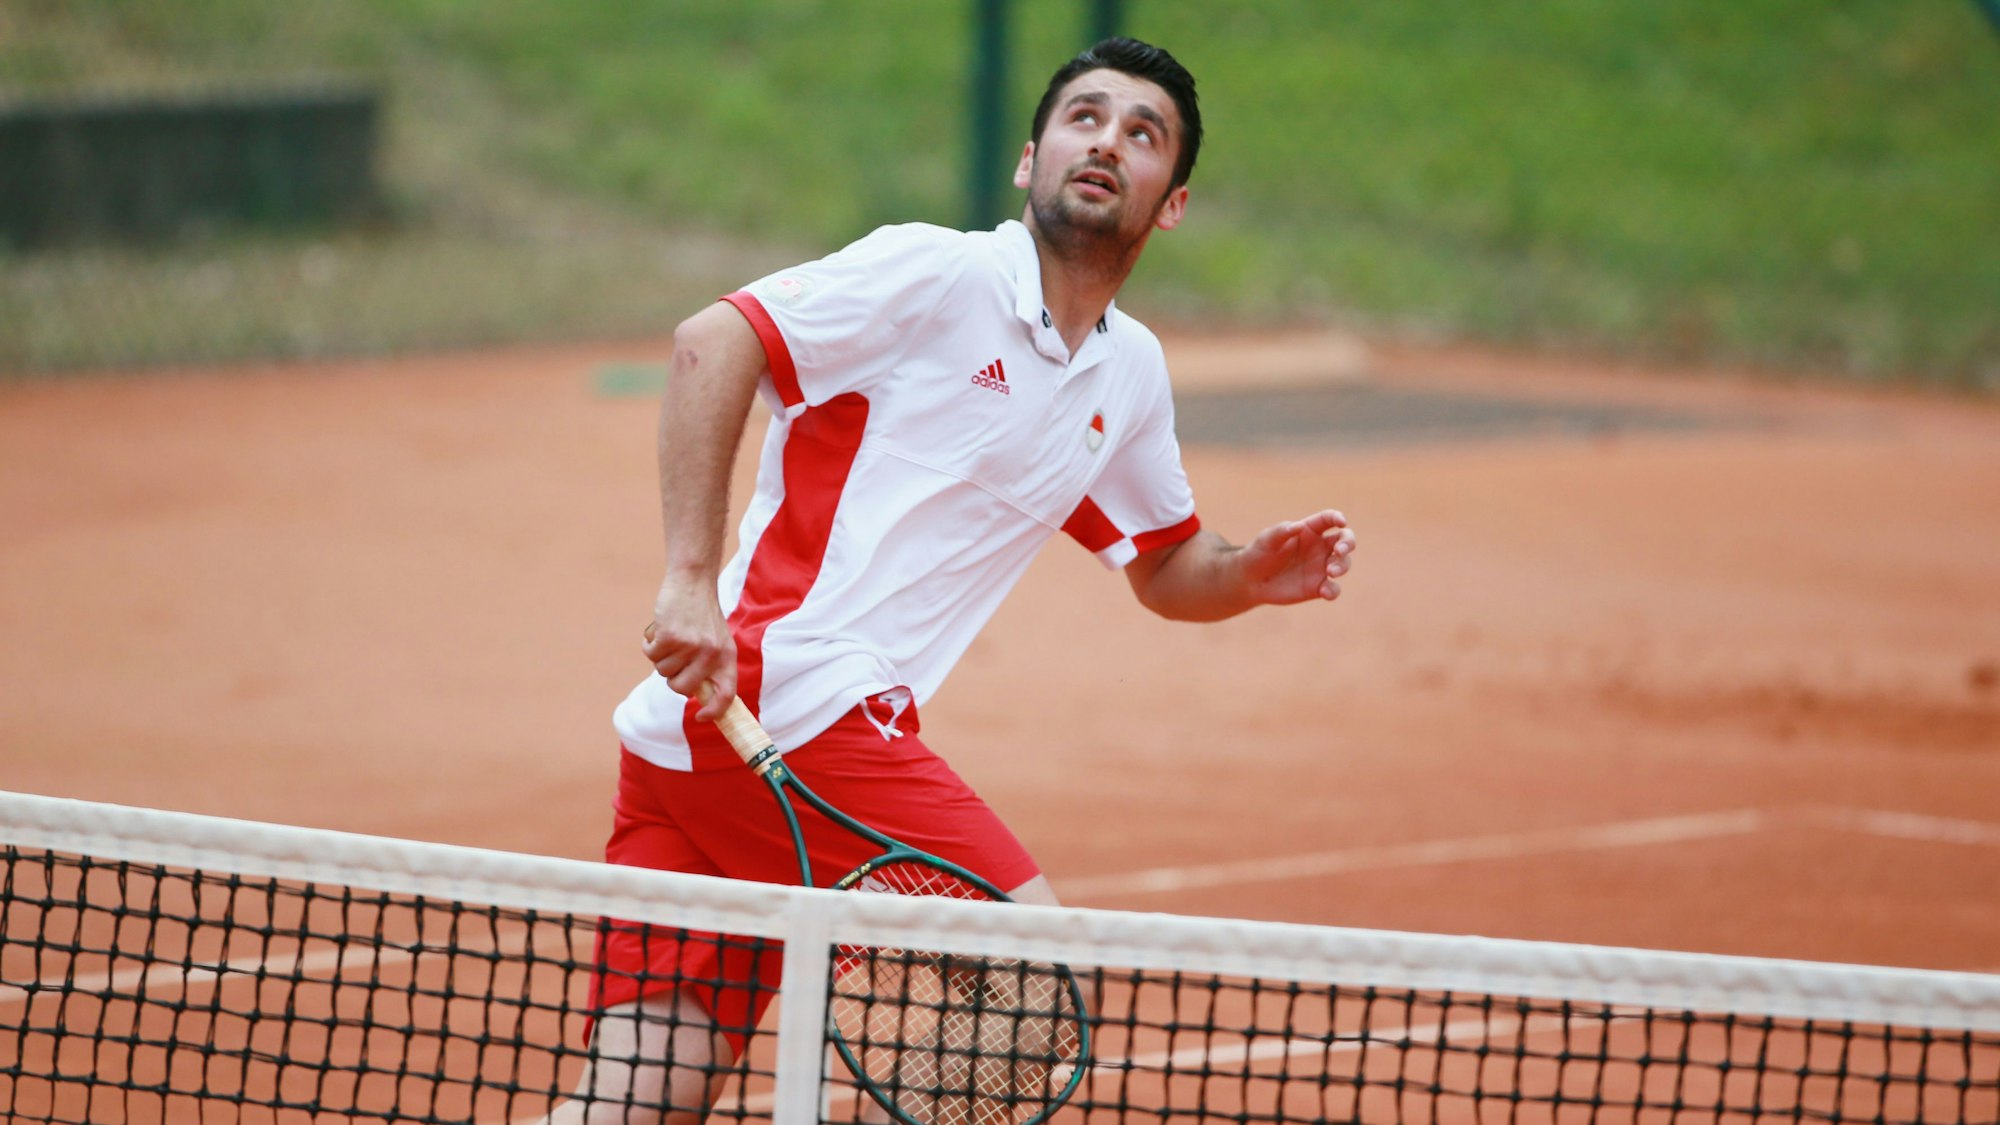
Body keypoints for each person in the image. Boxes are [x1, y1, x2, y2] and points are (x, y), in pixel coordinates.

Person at [546, 37, 1357, 1125]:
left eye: (1141, 132)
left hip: (697, 746)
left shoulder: (1126, 372)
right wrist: (689, 578)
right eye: (1084, 117)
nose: (1106, 140)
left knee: (631, 1106)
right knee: (1031, 982)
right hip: (791, 698)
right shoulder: (936, 276)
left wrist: (1249, 573)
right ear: (1028, 161)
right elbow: (711, 343)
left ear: (1169, 205)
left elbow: (1164, 565)